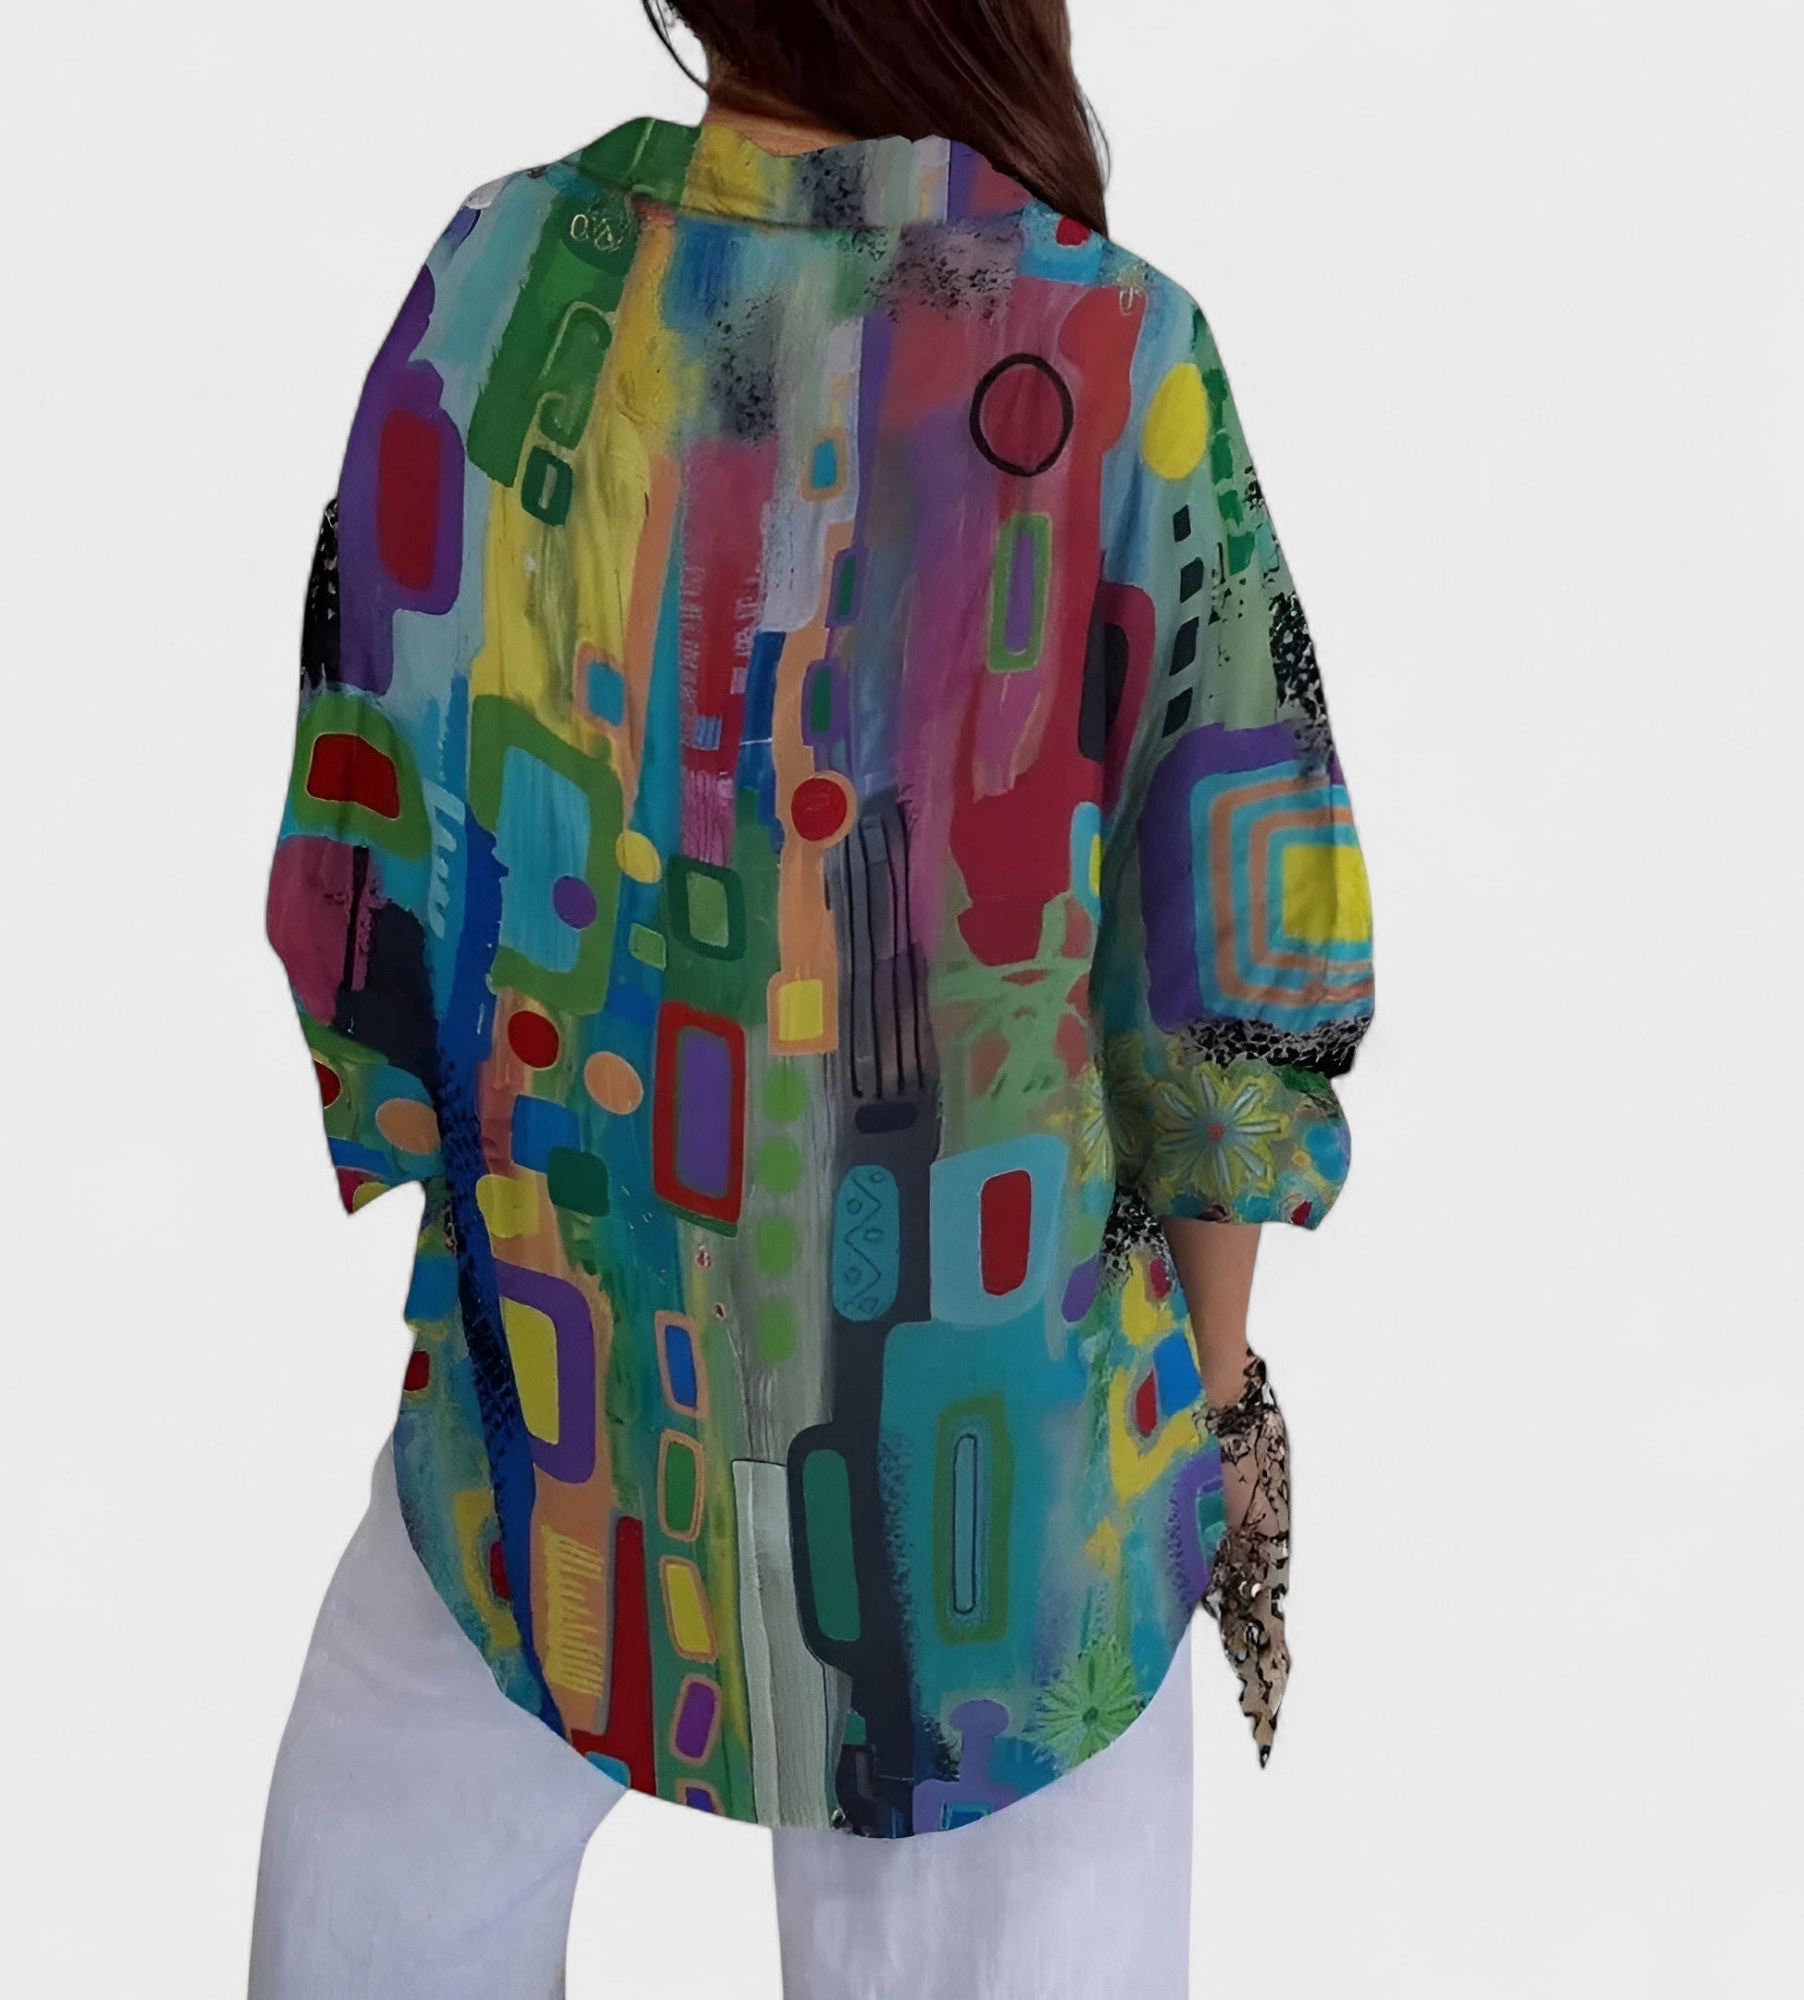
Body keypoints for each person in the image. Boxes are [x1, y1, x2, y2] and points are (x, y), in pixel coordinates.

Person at [251, 2, 1375, 1993]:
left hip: (546, 1431)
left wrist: (514, 1200)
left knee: (380, 1882)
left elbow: (359, 854)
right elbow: (1237, 967)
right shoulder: (1114, 355)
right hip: (1002, 1544)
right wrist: (1212, 1401)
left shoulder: (502, 285)